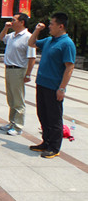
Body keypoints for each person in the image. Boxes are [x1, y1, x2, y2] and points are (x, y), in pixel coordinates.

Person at [27, 12, 76, 159]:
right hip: (42, 83)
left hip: (54, 87)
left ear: (61, 26)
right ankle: (46, 142)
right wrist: (37, 30)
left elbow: (69, 67)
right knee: (42, 114)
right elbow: (31, 43)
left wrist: (62, 88)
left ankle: (54, 147)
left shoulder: (67, 43)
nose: (49, 26)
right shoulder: (49, 40)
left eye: (52, 24)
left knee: (54, 118)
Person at [0, 13, 36, 136]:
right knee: (11, 98)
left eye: (14, 20)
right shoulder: (12, 35)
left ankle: (18, 126)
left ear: (22, 22)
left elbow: (32, 58)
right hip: (9, 69)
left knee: (18, 99)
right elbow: (1, 38)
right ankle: (12, 122)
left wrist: (28, 74)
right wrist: (6, 28)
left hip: (19, 70)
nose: (11, 22)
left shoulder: (28, 37)